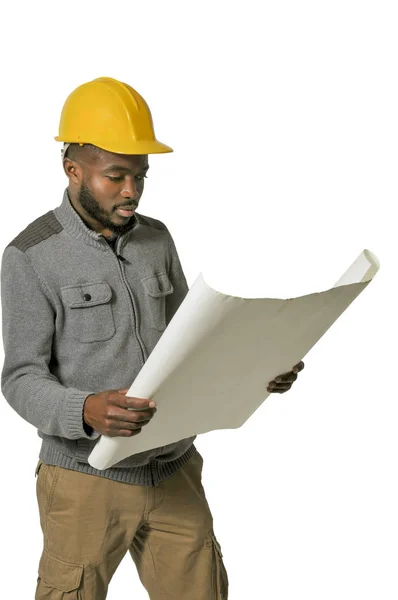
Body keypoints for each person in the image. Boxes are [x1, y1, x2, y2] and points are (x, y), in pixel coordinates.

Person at [0, 76, 303, 599]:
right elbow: (21, 377)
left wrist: (258, 370)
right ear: (73, 170)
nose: (131, 191)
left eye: (140, 176)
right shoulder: (30, 255)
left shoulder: (156, 238)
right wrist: (85, 409)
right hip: (84, 478)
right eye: (115, 176)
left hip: (174, 468)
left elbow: (193, 340)